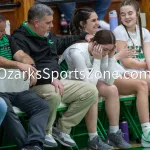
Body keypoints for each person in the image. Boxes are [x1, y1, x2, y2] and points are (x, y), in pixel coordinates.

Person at [12, 4, 102, 149]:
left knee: (91, 91)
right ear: (36, 22)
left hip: (56, 81)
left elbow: (61, 42)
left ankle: (61, 129)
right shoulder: (19, 39)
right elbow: (28, 70)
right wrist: (50, 78)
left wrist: (83, 36)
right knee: (53, 94)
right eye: (48, 23)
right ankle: (45, 132)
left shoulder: (46, 34)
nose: (52, 25)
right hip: (35, 85)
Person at [59, 6, 150, 147]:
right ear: (83, 24)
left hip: (91, 78)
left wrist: (110, 56)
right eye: (94, 20)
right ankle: (93, 138)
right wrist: (100, 59)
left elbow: (107, 78)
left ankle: (114, 133)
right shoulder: (77, 48)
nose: (98, 23)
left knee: (112, 89)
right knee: (93, 92)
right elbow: (89, 83)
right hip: (70, 82)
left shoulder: (101, 42)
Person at [0, 13, 50, 150]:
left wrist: (31, 67)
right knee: (5, 109)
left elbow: (21, 55)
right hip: (0, 91)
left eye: (4, 30)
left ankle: (33, 144)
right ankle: (26, 147)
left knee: (42, 106)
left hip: (14, 86)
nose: (2, 33)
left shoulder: (7, 38)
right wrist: (18, 65)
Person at [113, 0, 150, 89]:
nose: (127, 17)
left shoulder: (145, 32)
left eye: (130, 13)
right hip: (126, 72)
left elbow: (148, 56)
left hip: (143, 71)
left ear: (137, 14)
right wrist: (146, 65)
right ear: (120, 17)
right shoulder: (119, 31)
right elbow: (126, 62)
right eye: (123, 14)